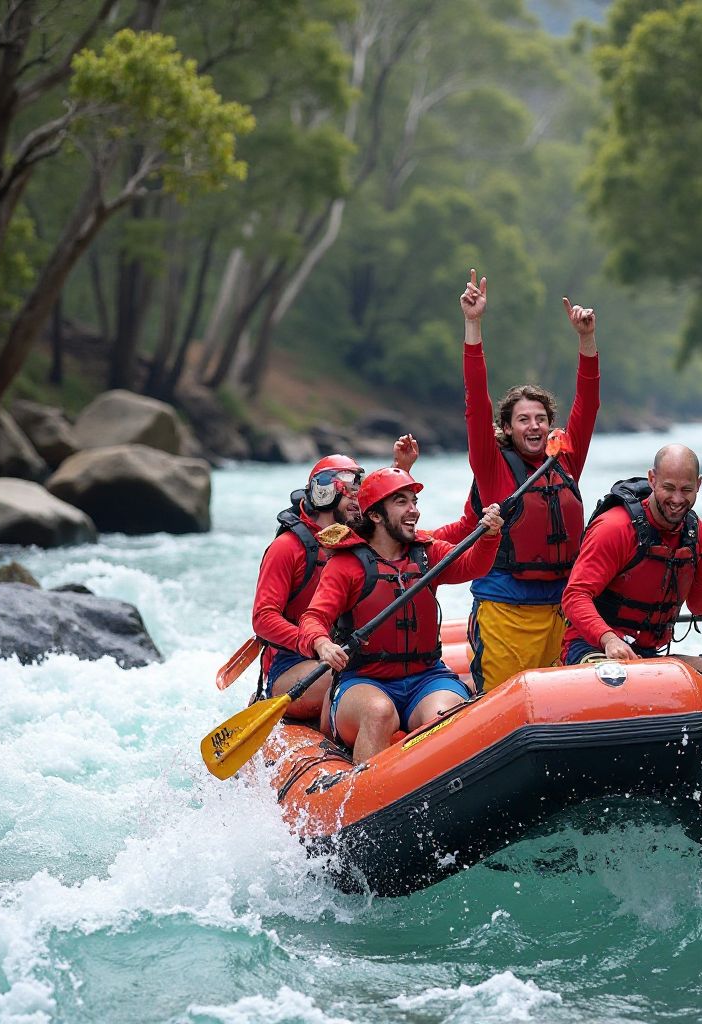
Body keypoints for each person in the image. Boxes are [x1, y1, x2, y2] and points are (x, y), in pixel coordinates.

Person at [434, 269, 600, 692]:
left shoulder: (564, 461)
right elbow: (476, 401)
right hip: (504, 611)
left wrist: (586, 341)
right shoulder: (491, 467)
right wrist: (473, 325)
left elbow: (589, 403)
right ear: (506, 428)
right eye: (523, 419)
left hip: (560, 609)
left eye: (542, 419)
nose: (535, 426)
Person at [298, 467, 504, 762]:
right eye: (402, 502)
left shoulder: (426, 554)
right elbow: (313, 618)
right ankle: (364, 800)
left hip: (426, 677)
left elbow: (473, 566)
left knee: (446, 714)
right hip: (364, 681)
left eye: (415, 502)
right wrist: (322, 643)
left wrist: (490, 536)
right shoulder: (347, 565)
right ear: (376, 515)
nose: (414, 511)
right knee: (378, 712)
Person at [560, 444, 702, 714]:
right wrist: (609, 639)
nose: (677, 499)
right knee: (627, 693)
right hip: (593, 647)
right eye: (668, 488)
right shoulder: (614, 528)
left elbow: (700, 607)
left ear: (699, 485)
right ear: (652, 479)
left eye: (686, 490)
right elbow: (574, 597)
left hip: (647, 657)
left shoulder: (697, 533)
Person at [250, 438, 418, 720]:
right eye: (352, 494)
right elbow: (263, 618)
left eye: (360, 494)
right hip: (293, 664)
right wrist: (317, 644)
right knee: (355, 682)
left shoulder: (356, 541)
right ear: (326, 493)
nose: (359, 502)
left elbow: (390, 521)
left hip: (343, 653)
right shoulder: (287, 548)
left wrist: (400, 468)